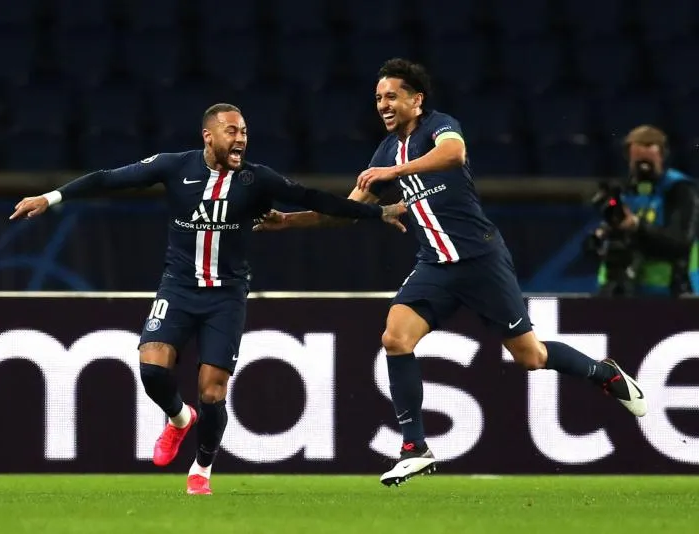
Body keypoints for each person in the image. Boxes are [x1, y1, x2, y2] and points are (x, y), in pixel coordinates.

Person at [255, 58, 647, 487]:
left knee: (530, 357)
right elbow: (348, 210)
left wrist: (395, 172)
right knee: (395, 337)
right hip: (435, 265)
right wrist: (288, 221)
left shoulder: (439, 127)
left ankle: (605, 374)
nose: (383, 105)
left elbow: (453, 153)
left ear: (416, 100)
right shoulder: (385, 152)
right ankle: (415, 447)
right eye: (378, 98)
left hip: (481, 259)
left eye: (392, 96)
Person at [9, 103, 407, 495]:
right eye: (232, 131)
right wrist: (52, 197)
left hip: (226, 296)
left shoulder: (256, 179)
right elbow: (108, 179)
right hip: (178, 287)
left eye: (244, 132)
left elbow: (314, 199)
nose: (241, 139)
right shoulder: (175, 167)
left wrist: (378, 213)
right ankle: (180, 419)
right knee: (152, 371)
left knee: (213, 392)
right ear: (208, 136)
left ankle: (201, 468)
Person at [589, 125, 699, 297]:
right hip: (621, 290)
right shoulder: (622, 192)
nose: (644, 169)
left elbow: (680, 241)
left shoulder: (681, 190)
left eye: (649, 163)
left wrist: (636, 225)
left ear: (662, 156)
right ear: (629, 158)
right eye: (639, 162)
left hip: (670, 292)